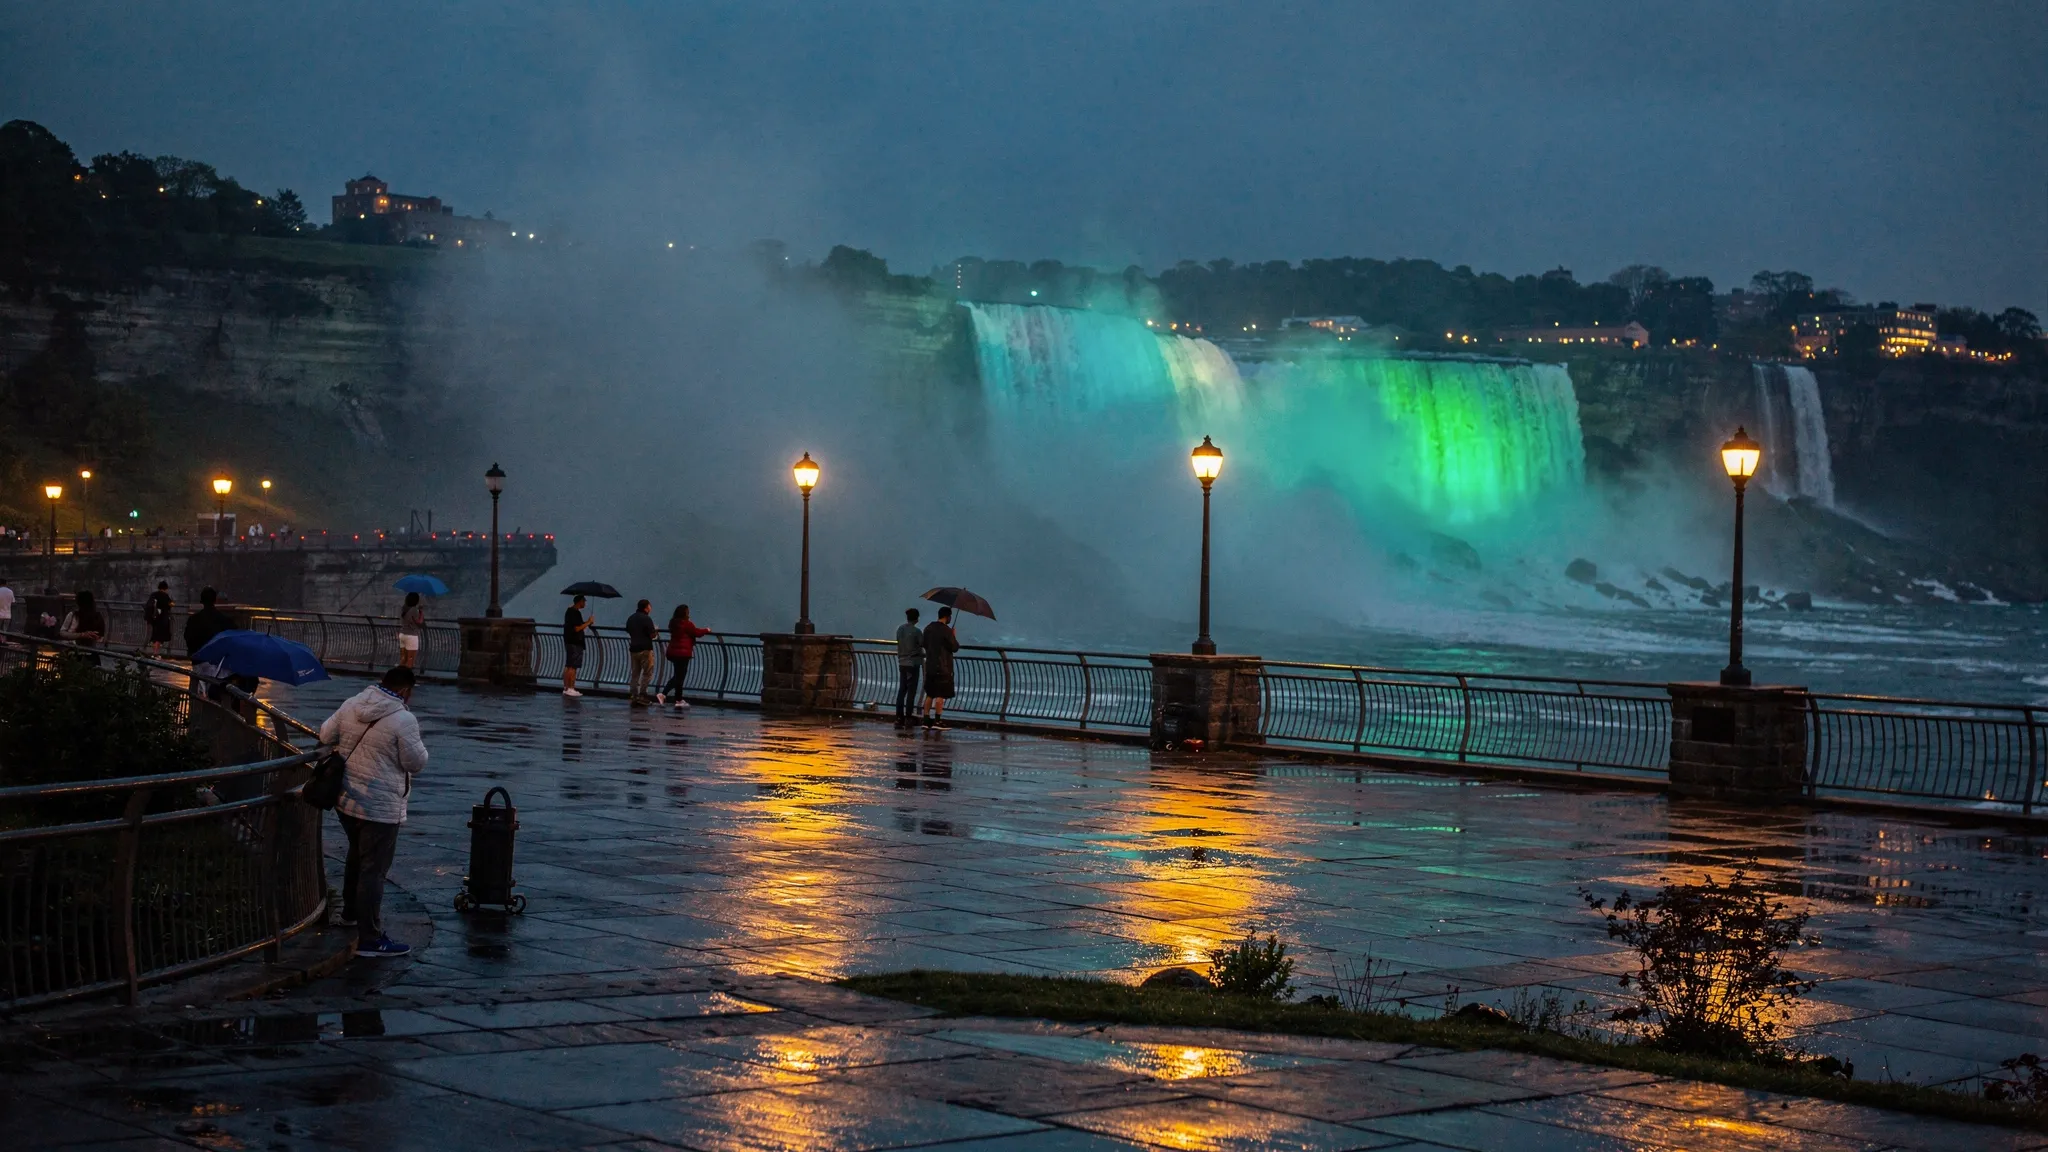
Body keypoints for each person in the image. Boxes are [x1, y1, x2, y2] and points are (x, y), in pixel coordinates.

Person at [319, 666, 428, 960]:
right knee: (373, 870)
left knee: (357, 855)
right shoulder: (403, 719)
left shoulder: (353, 702)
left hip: (348, 800)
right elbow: (415, 762)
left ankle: (350, 914)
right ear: (405, 690)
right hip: (380, 808)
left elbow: (325, 733)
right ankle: (370, 938)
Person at [185, 587, 236, 701]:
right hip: (216, 662)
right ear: (215, 600)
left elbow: (188, 638)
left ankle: (198, 710)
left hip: (199, 660)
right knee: (214, 690)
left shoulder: (194, 620)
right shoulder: (224, 620)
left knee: (199, 691)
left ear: (202, 601)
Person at [659, 604, 711, 708]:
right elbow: (696, 632)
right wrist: (707, 630)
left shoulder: (673, 623)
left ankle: (678, 699)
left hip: (673, 652)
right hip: (683, 653)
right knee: (680, 676)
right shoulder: (687, 624)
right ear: (685, 613)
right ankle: (665, 695)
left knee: (678, 676)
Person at [921, 606, 959, 729]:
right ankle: (938, 721)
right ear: (947, 617)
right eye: (950, 617)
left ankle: (926, 720)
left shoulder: (928, 628)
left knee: (930, 693)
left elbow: (924, 644)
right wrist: (953, 635)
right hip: (943, 666)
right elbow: (954, 647)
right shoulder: (946, 631)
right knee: (940, 694)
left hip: (930, 665)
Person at [894, 608, 924, 728]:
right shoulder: (917, 631)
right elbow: (922, 644)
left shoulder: (900, 629)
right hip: (913, 664)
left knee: (902, 690)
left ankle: (899, 717)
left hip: (902, 662)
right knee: (911, 691)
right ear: (916, 618)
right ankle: (908, 717)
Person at [625, 599, 658, 704]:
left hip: (633, 649)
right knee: (647, 672)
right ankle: (643, 695)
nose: (650, 608)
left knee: (635, 673)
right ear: (646, 607)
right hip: (645, 649)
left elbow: (628, 630)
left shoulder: (631, 618)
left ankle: (634, 694)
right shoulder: (647, 619)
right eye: (650, 606)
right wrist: (656, 631)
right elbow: (652, 635)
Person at [561, 594, 592, 697]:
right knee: (573, 666)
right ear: (579, 602)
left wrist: (586, 623)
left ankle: (566, 688)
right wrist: (588, 622)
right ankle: (571, 688)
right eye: (584, 601)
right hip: (575, 642)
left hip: (569, 641)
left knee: (568, 665)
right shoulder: (574, 613)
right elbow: (577, 628)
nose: (585, 603)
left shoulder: (569, 612)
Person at [58, 590, 107, 655]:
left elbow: (100, 636)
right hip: (75, 651)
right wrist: (81, 635)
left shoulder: (96, 617)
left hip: (87, 653)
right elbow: (62, 632)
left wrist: (91, 636)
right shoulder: (73, 615)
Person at [144, 581, 174, 656]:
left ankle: (154, 652)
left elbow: (149, 604)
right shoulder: (165, 596)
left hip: (154, 618)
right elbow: (170, 604)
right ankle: (156, 653)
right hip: (163, 619)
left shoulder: (153, 594)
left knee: (155, 635)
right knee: (159, 637)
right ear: (165, 588)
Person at [397, 591, 425, 668]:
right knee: (410, 660)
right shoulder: (414, 610)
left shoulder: (403, 608)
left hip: (402, 634)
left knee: (403, 659)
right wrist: (421, 612)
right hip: (411, 636)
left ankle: (399, 675)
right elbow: (419, 623)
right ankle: (407, 676)